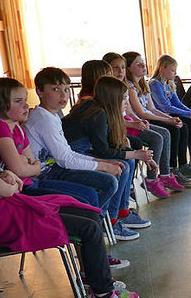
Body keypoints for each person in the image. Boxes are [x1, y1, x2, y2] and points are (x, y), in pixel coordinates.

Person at [0, 91, 140, 298]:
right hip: (1, 222)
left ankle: (96, 280)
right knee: (88, 229)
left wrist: (7, 174)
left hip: (11, 208)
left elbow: (6, 174)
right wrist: (9, 177)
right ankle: (102, 297)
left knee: (89, 214)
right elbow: (7, 188)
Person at [0, 77, 100, 208]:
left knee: (88, 194)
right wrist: (27, 165)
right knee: (82, 202)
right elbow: (19, 169)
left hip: (31, 181)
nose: (26, 105)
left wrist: (27, 165)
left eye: (25, 100)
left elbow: (34, 167)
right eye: (18, 101)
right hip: (17, 190)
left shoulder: (18, 127)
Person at [63, 75, 153, 241]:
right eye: (124, 98)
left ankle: (122, 212)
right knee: (122, 168)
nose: (127, 102)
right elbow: (103, 151)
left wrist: (138, 155)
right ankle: (111, 220)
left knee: (129, 161)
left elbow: (110, 144)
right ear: (113, 99)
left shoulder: (98, 108)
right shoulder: (97, 113)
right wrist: (135, 153)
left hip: (83, 151)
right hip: (73, 156)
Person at [25, 67, 123, 216]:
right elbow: (65, 160)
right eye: (55, 89)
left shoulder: (52, 115)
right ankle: (95, 218)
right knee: (108, 182)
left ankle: (98, 218)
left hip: (55, 167)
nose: (63, 95)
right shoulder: (44, 119)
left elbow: (67, 152)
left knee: (110, 177)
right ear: (39, 91)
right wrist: (102, 166)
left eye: (66, 89)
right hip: (46, 173)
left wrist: (100, 162)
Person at [104, 51, 174, 198]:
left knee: (166, 132)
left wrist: (138, 122)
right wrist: (136, 123)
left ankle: (166, 173)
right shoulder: (113, 89)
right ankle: (151, 178)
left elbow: (129, 112)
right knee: (156, 138)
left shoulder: (127, 86)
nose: (120, 71)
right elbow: (116, 118)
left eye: (122, 67)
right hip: (122, 127)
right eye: (116, 68)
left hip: (129, 123)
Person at [122, 51, 191, 189]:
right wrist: (167, 120)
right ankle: (154, 177)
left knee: (178, 127)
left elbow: (152, 109)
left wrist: (170, 118)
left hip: (145, 119)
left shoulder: (144, 84)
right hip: (140, 121)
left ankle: (168, 173)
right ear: (129, 68)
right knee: (162, 135)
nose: (143, 65)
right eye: (138, 64)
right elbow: (141, 113)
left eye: (143, 62)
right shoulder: (129, 87)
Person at [148, 54, 191, 178]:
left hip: (170, 113)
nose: (175, 73)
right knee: (181, 127)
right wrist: (189, 113)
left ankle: (190, 161)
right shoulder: (155, 84)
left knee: (190, 122)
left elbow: (177, 103)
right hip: (160, 115)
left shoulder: (169, 83)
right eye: (172, 70)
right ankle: (174, 167)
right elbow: (165, 107)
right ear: (162, 68)